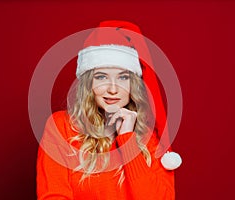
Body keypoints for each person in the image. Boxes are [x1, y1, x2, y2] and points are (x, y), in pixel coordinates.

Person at [36, 20, 181, 200]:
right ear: (89, 84)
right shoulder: (62, 127)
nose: (113, 89)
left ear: (132, 85)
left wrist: (128, 139)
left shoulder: (149, 141)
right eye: (101, 76)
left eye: (122, 78)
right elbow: (54, 195)